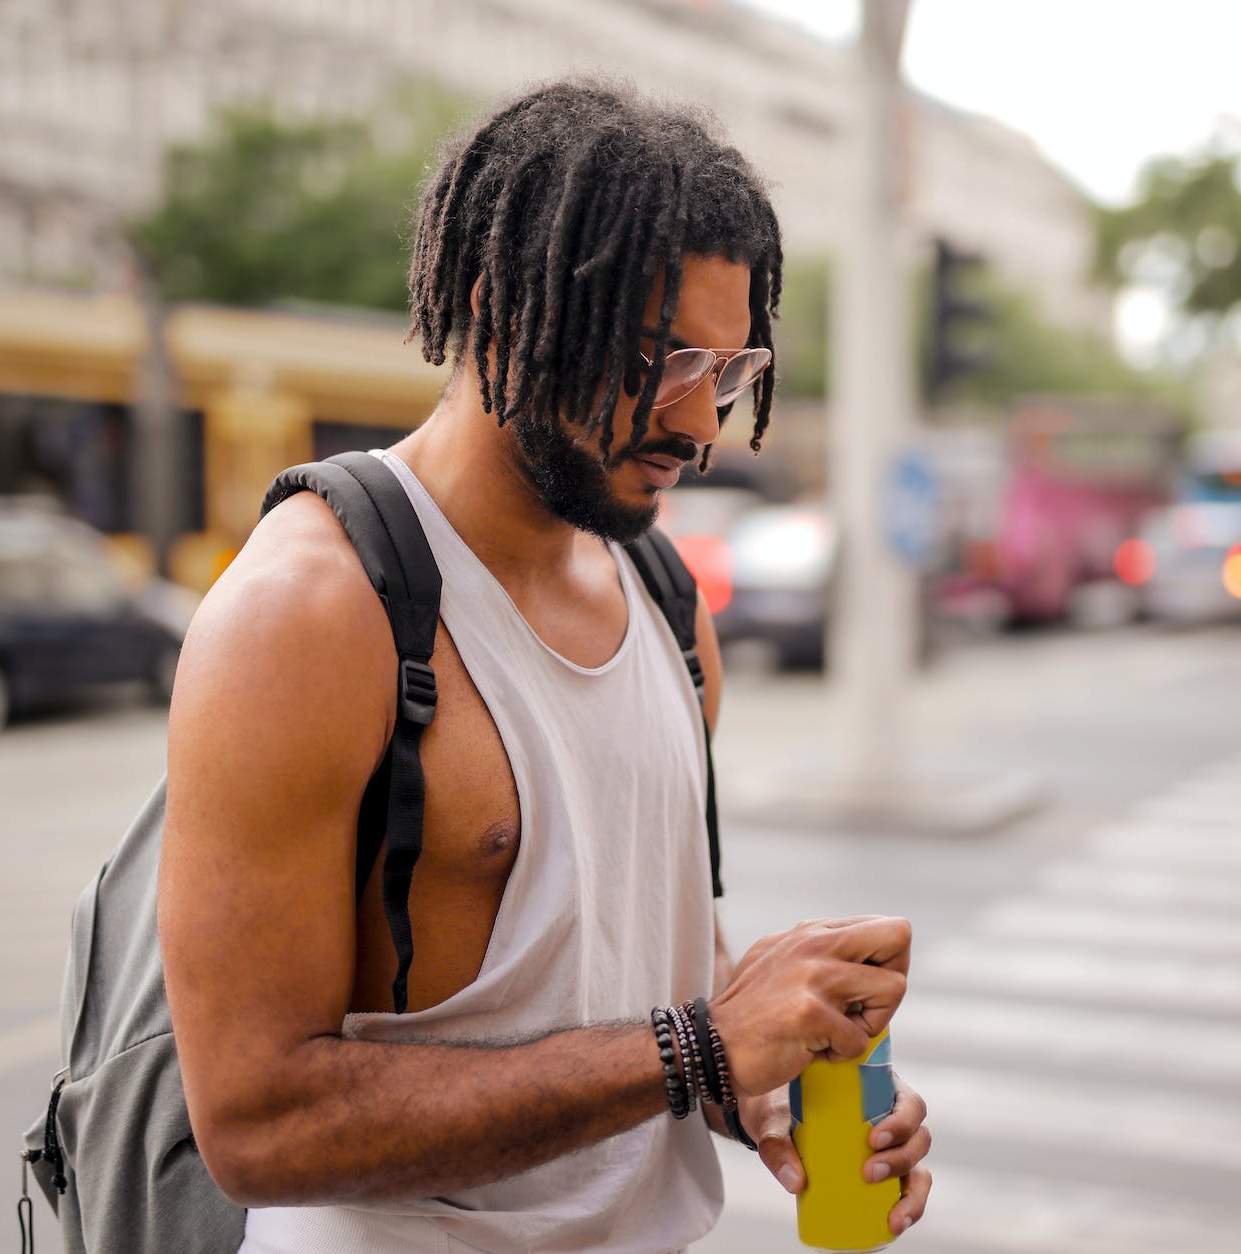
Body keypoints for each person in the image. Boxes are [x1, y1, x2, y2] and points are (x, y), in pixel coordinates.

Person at [157, 78, 933, 1252]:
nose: (698, 425)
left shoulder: (667, 605)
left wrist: (762, 1080)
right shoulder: (309, 614)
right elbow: (258, 1126)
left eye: (724, 374)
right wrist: (697, 1049)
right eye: (659, 362)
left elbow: (636, 982)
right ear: (498, 311)